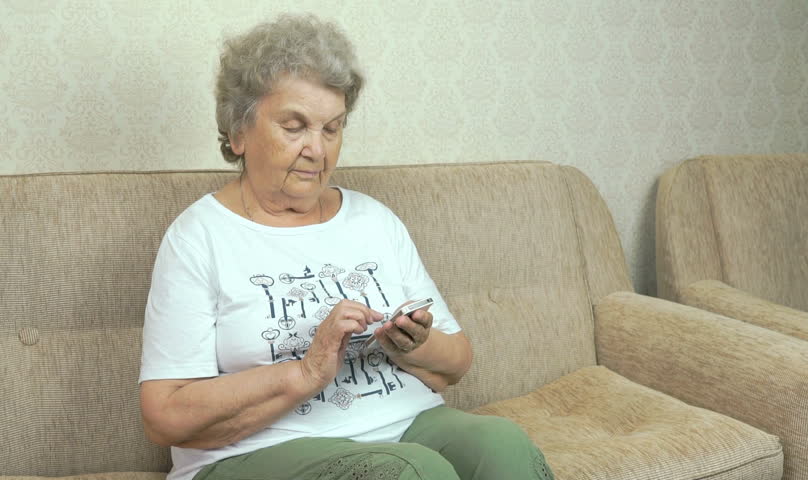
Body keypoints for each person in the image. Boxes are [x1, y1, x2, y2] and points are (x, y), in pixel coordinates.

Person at [139, 13, 554, 480]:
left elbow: (456, 362)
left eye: (331, 129)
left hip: (405, 426)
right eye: (294, 127)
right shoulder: (199, 237)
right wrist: (305, 372)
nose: (318, 150)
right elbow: (164, 414)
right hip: (261, 451)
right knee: (412, 472)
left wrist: (411, 343)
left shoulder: (373, 220)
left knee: (502, 444)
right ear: (238, 133)